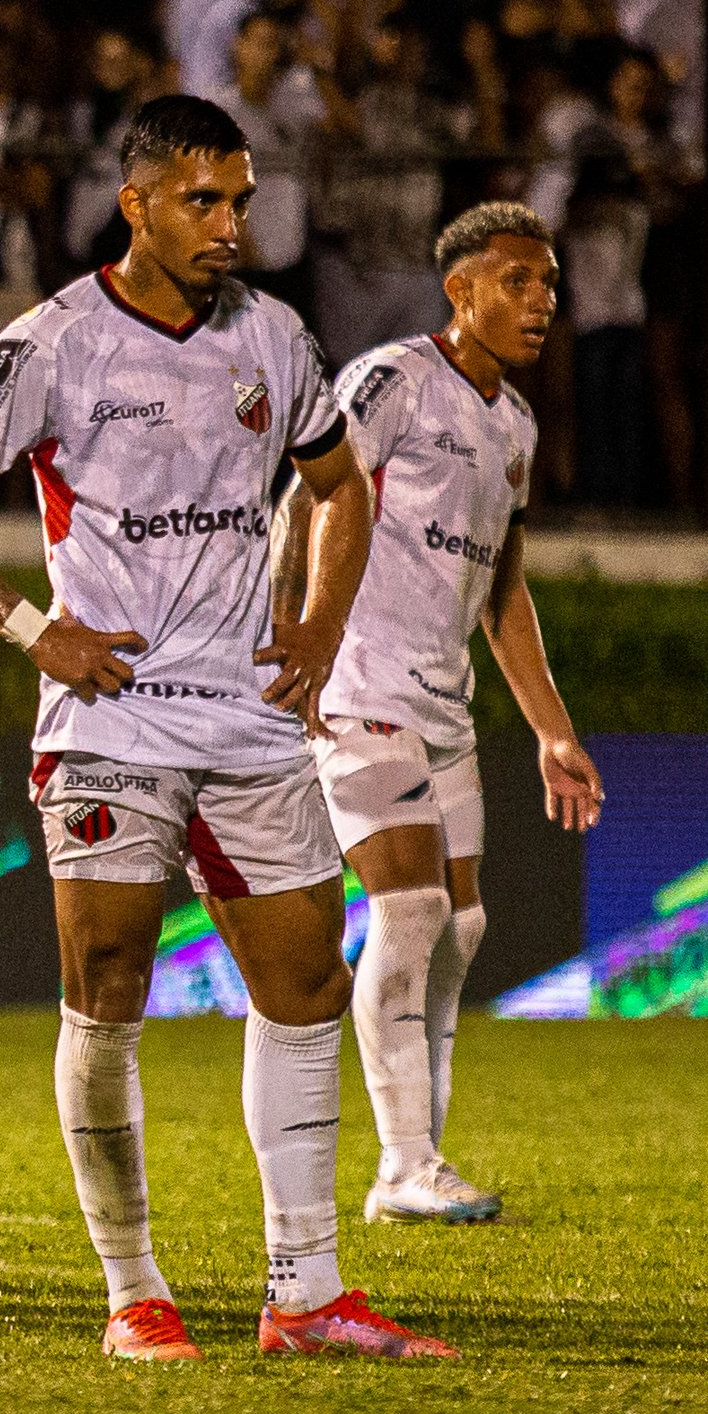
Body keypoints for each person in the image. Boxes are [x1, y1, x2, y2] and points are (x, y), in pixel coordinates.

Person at [0, 92, 450, 1363]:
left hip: (249, 721)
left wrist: (315, 625)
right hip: (110, 725)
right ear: (133, 202)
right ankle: (134, 1292)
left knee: (304, 987)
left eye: (240, 198)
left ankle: (303, 1296)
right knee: (109, 990)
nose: (230, 223)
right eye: (203, 199)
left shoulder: (277, 337)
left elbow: (340, 485)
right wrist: (37, 633)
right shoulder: (55, 341)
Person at [296, 203, 602, 1227]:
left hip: (443, 701)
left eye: (549, 283)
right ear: (459, 291)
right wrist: (293, 640)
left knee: (459, 924)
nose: (540, 301)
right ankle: (403, 1163)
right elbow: (306, 497)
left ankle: (412, 1163)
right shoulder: (391, 380)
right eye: (517, 280)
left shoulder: (512, 425)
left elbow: (503, 591)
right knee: (411, 911)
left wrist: (551, 728)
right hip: (357, 682)